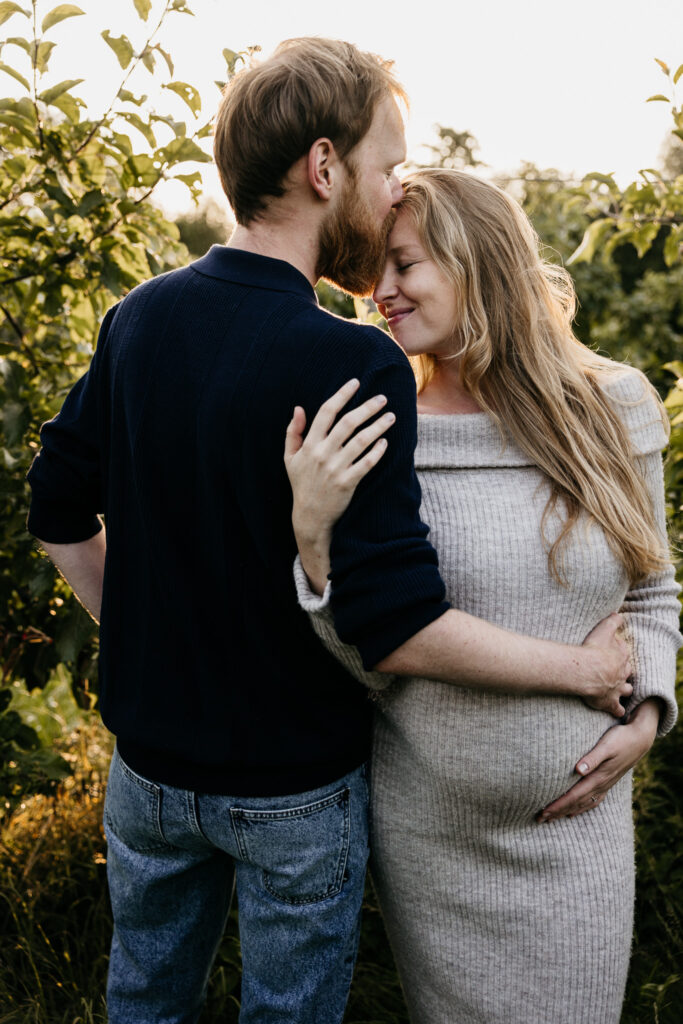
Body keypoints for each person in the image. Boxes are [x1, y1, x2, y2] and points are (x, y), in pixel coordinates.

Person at [26, 39, 633, 1024]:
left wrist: (131, 630)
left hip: (145, 772)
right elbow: (391, 619)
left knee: (142, 1002)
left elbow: (56, 504)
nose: (393, 190)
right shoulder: (348, 360)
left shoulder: (137, 317)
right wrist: (575, 669)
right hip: (292, 791)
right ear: (322, 167)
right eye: (386, 165)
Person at [284, 167, 682, 1024]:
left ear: (475, 260)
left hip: (575, 834)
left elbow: (652, 593)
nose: (381, 294)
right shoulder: (381, 430)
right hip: (432, 838)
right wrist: (313, 545)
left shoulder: (611, 408)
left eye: (403, 265)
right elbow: (372, 657)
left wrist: (647, 715)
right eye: (372, 273)